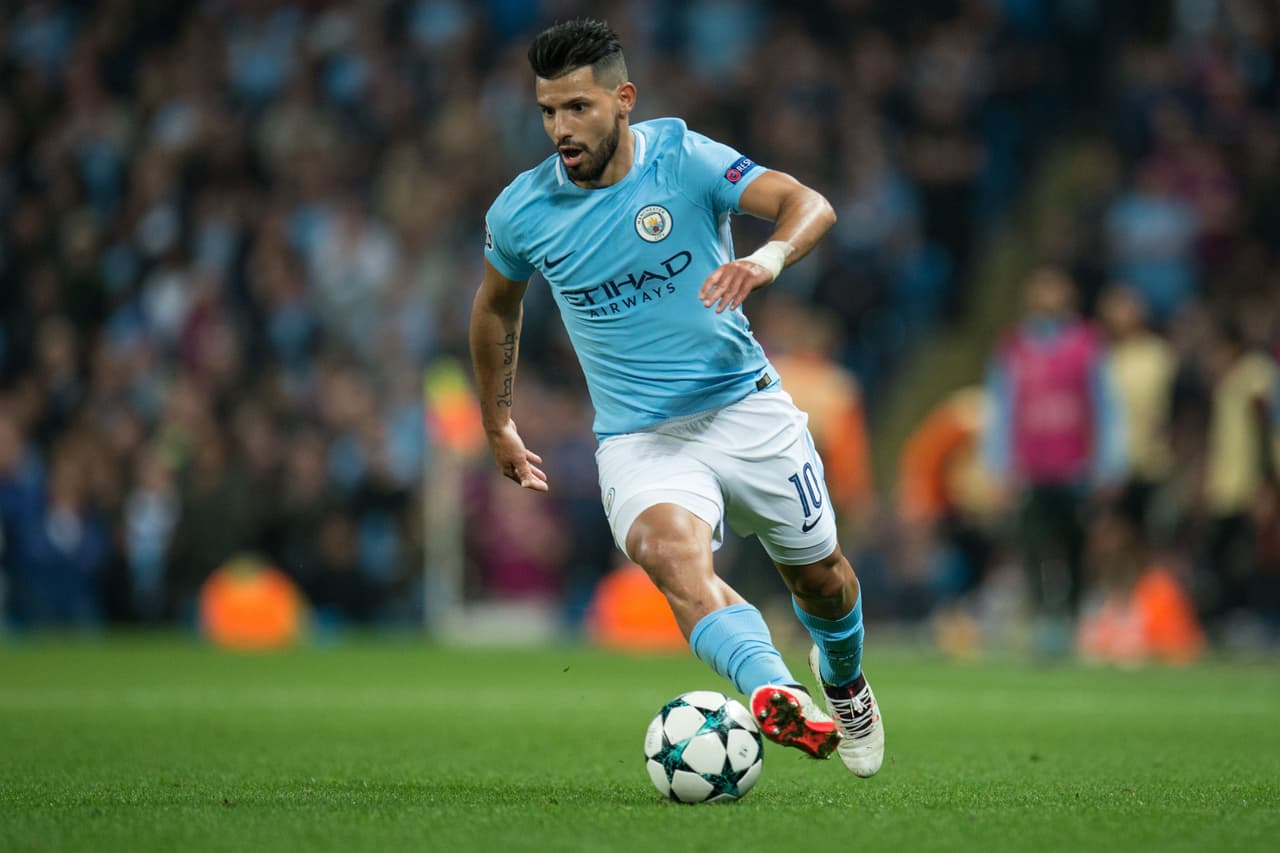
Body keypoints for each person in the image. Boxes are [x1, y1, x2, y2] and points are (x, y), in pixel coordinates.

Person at [469, 19, 883, 777]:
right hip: (640, 439)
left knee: (822, 579)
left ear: (623, 99)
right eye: (548, 111)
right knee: (670, 556)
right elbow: (497, 306)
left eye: (578, 107)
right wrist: (497, 422)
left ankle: (844, 679)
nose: (561, 129)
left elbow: (809, 203)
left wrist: (766, 260)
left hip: (745, 408)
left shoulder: (685, 158)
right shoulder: (522, 212)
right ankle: (774, 689)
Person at [982, 267, 1127, 656]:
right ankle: (1043, 622)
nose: (1048, 298)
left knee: (1076, 548)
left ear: (1069, 297)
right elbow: (1001, 408)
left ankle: (1073, 620)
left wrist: (1110, 465)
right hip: (1030, 470)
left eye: (1055, 291)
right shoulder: (1013, 347)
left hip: (1075, 469)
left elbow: (1106, 406)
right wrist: (997, 467)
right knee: (1032, 549)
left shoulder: (1087, 344)